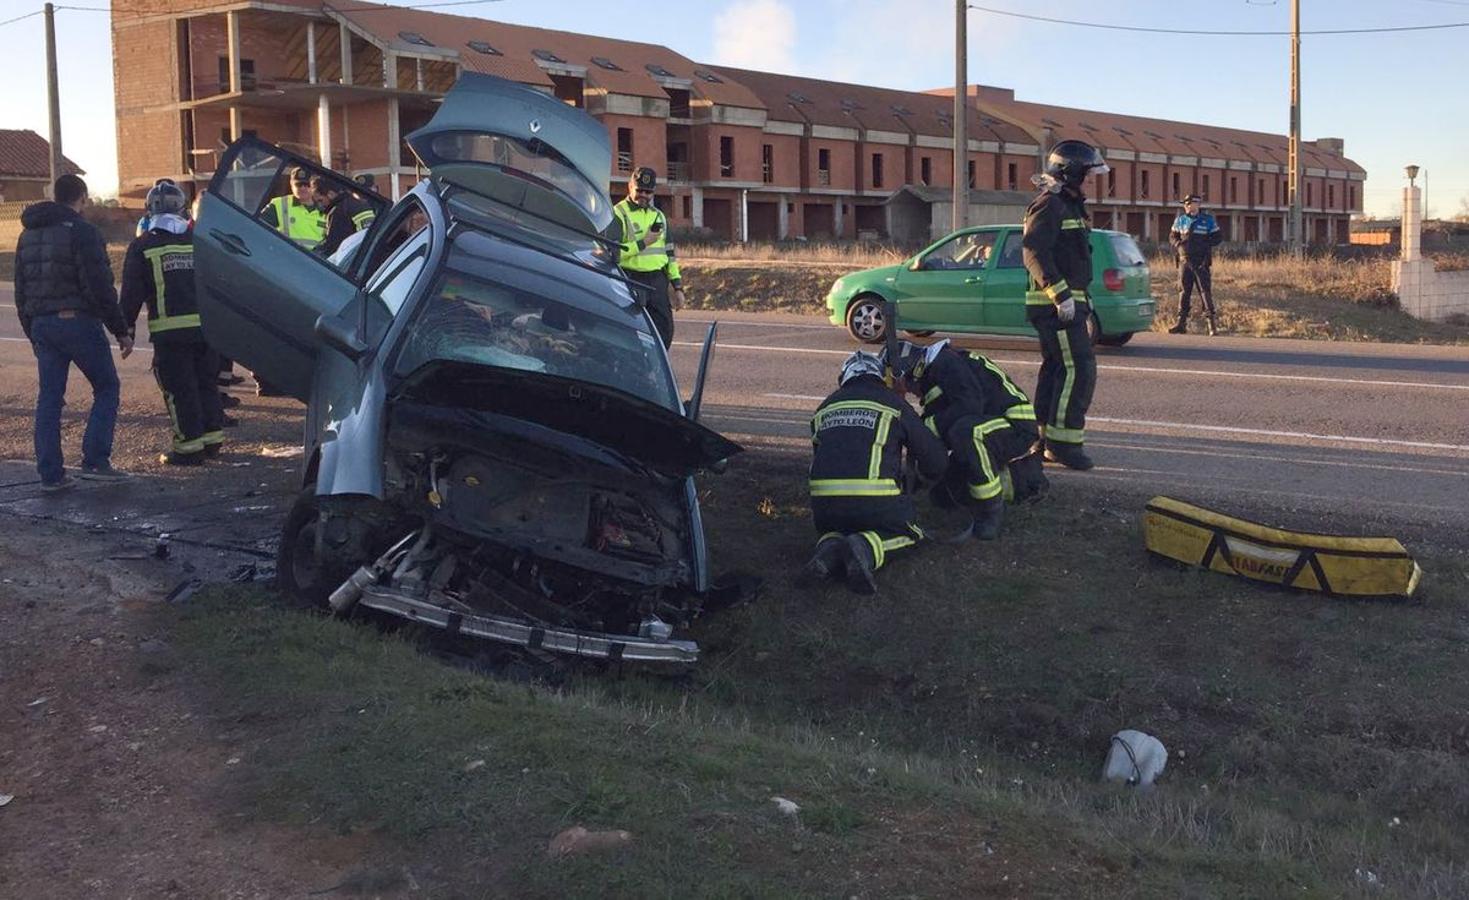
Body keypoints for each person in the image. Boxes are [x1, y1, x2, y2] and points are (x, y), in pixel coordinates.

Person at [13, 173, 134, 491]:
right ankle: (95, 460)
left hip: (42, 324)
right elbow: (99, 285)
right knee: (107, 386)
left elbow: (21, 290)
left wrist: (32, 332)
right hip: (78, 321)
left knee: (49, 398)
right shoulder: (82, 232)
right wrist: (120, 329)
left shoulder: (27, 235)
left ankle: (50, 474)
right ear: (80, 197)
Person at [802, 351, 949, 594]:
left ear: (843, 378)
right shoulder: (893, 405)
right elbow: (935, 461)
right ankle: (865, 548)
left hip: (824, 511)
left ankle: (829, 547)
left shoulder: (824, 408)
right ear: (881, 378)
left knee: (837, 528)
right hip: (876, 504)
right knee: (911, 533)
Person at [887, 340, 1047, 540]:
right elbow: (935, 436)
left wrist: (928, 426)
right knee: (943, 495)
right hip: (987, 422)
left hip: (1015, 424)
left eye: (908, 387)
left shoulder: (946, 363)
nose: (911, 392)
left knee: (967, 433)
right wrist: (916, 476)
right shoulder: (934, 374)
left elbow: (969, 405)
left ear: (913, 372)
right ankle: (1017, 481)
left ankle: (991, 511)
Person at [120, 179, 224, 465]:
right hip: (206, 330)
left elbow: (131, 292)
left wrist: (125, 329)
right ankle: (213, 440)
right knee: (206, 384)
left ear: (149, 211)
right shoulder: (199, 241)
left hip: (170, 333)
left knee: (180, 390)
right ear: (182, 209)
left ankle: (188, 449)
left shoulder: (143, 246)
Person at [1022, 140, 1109, 471]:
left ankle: (1044, 438)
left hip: (1065, 302)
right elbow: (1034, 253)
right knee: (1078, 368)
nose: (1093, 180)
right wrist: (1059, 294)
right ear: (1071, 173)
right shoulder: (1050, 205)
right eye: (1089, 174)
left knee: (1058, 369)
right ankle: (1063, 445)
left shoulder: (1067, 205)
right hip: (1056, 305)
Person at [610, 167, 683, 348]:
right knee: (630, 332)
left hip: (657, 281)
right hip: (630, 279)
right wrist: (644, 242)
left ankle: (656, 371)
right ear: (630, 187)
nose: (643, 195)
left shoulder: (658, 215)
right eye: (639, 190)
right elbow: (613, 254)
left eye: (648, 191)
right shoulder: (618, 213)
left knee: (664, 331)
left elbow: (669, 254)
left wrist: (678, 286)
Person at [1168, 194, 1224, 335]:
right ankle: (1181, 324)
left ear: (1197, 204)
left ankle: (1211, 325)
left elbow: (1218, 237)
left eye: (1188, 204)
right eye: (1185, 204)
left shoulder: (1207, 220)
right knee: (1184, 292)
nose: (1186, 207)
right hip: (1184, 261)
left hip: (1201, 262)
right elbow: (1172, 236)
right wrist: (1178, 244)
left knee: (1204, 292)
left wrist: (1204, 245)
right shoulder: (1180, 220)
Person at [260, 166, 326, 251]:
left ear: (313, 186)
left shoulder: (326, 210)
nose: (302, 188)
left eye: (306, 185)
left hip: (316, 262)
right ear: (291, 184)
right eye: (298, 184)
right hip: (287, 258)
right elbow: (258, 229)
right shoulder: (279, 204)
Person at [311, 174, 376, 257]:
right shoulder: (357, 204)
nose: (319, 205)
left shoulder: (339, 211)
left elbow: (333, 246)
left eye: (320, 200)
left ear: (330, 194)